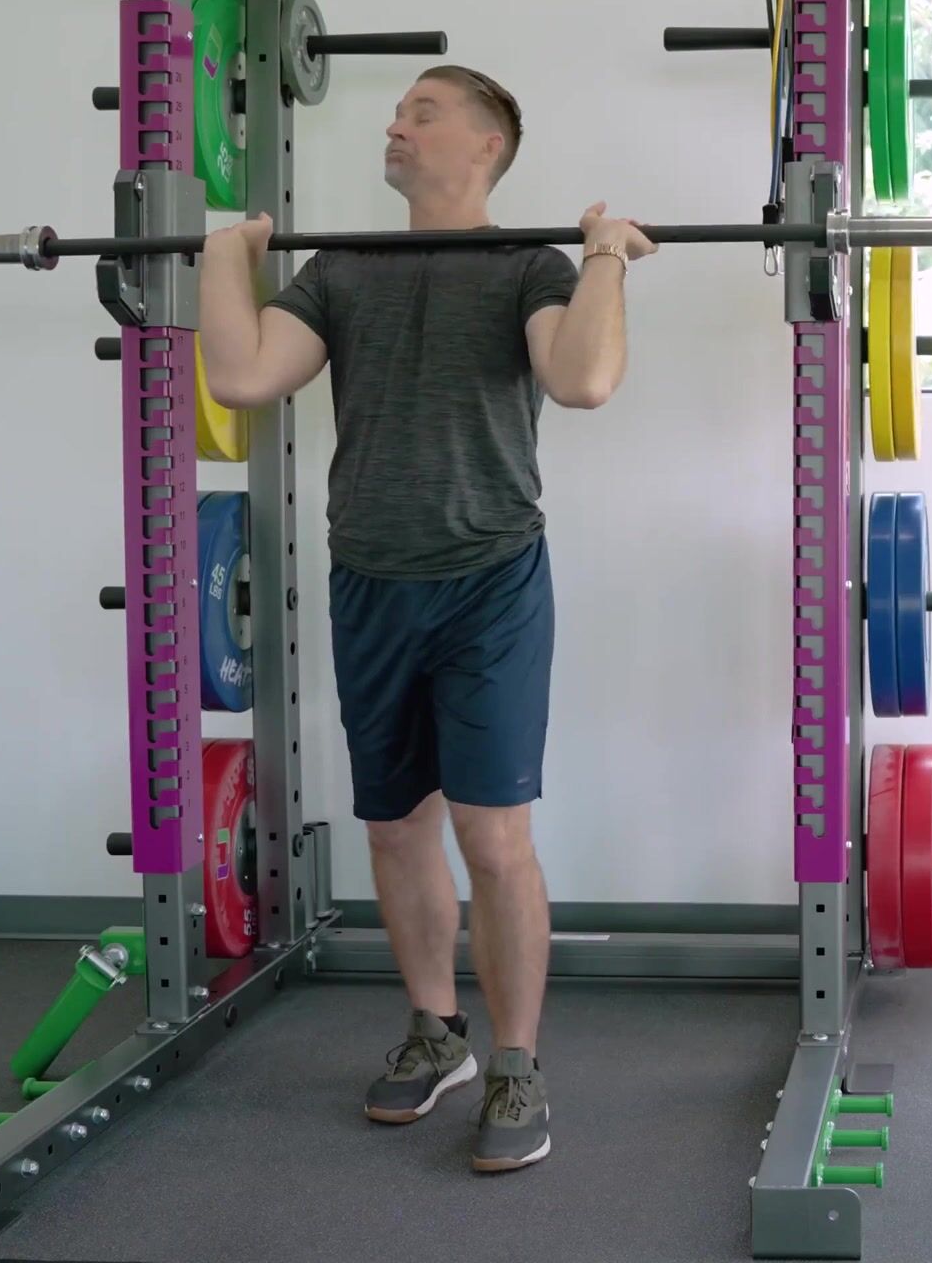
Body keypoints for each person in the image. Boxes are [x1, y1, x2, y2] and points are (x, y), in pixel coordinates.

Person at [196, 64, 656, 1173]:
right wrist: (222, 260)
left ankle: (516, 1062)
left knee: (492, 838)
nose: (395, 127)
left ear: (488, 146)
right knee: (397, 827)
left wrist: (603, 256)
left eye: (423, 113)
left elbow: (584, 380)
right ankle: (436, 1031)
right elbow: (245, 374)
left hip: (490, 579)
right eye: (398, 114)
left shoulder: (528, 265)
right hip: (370, 578)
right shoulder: (345, 269)